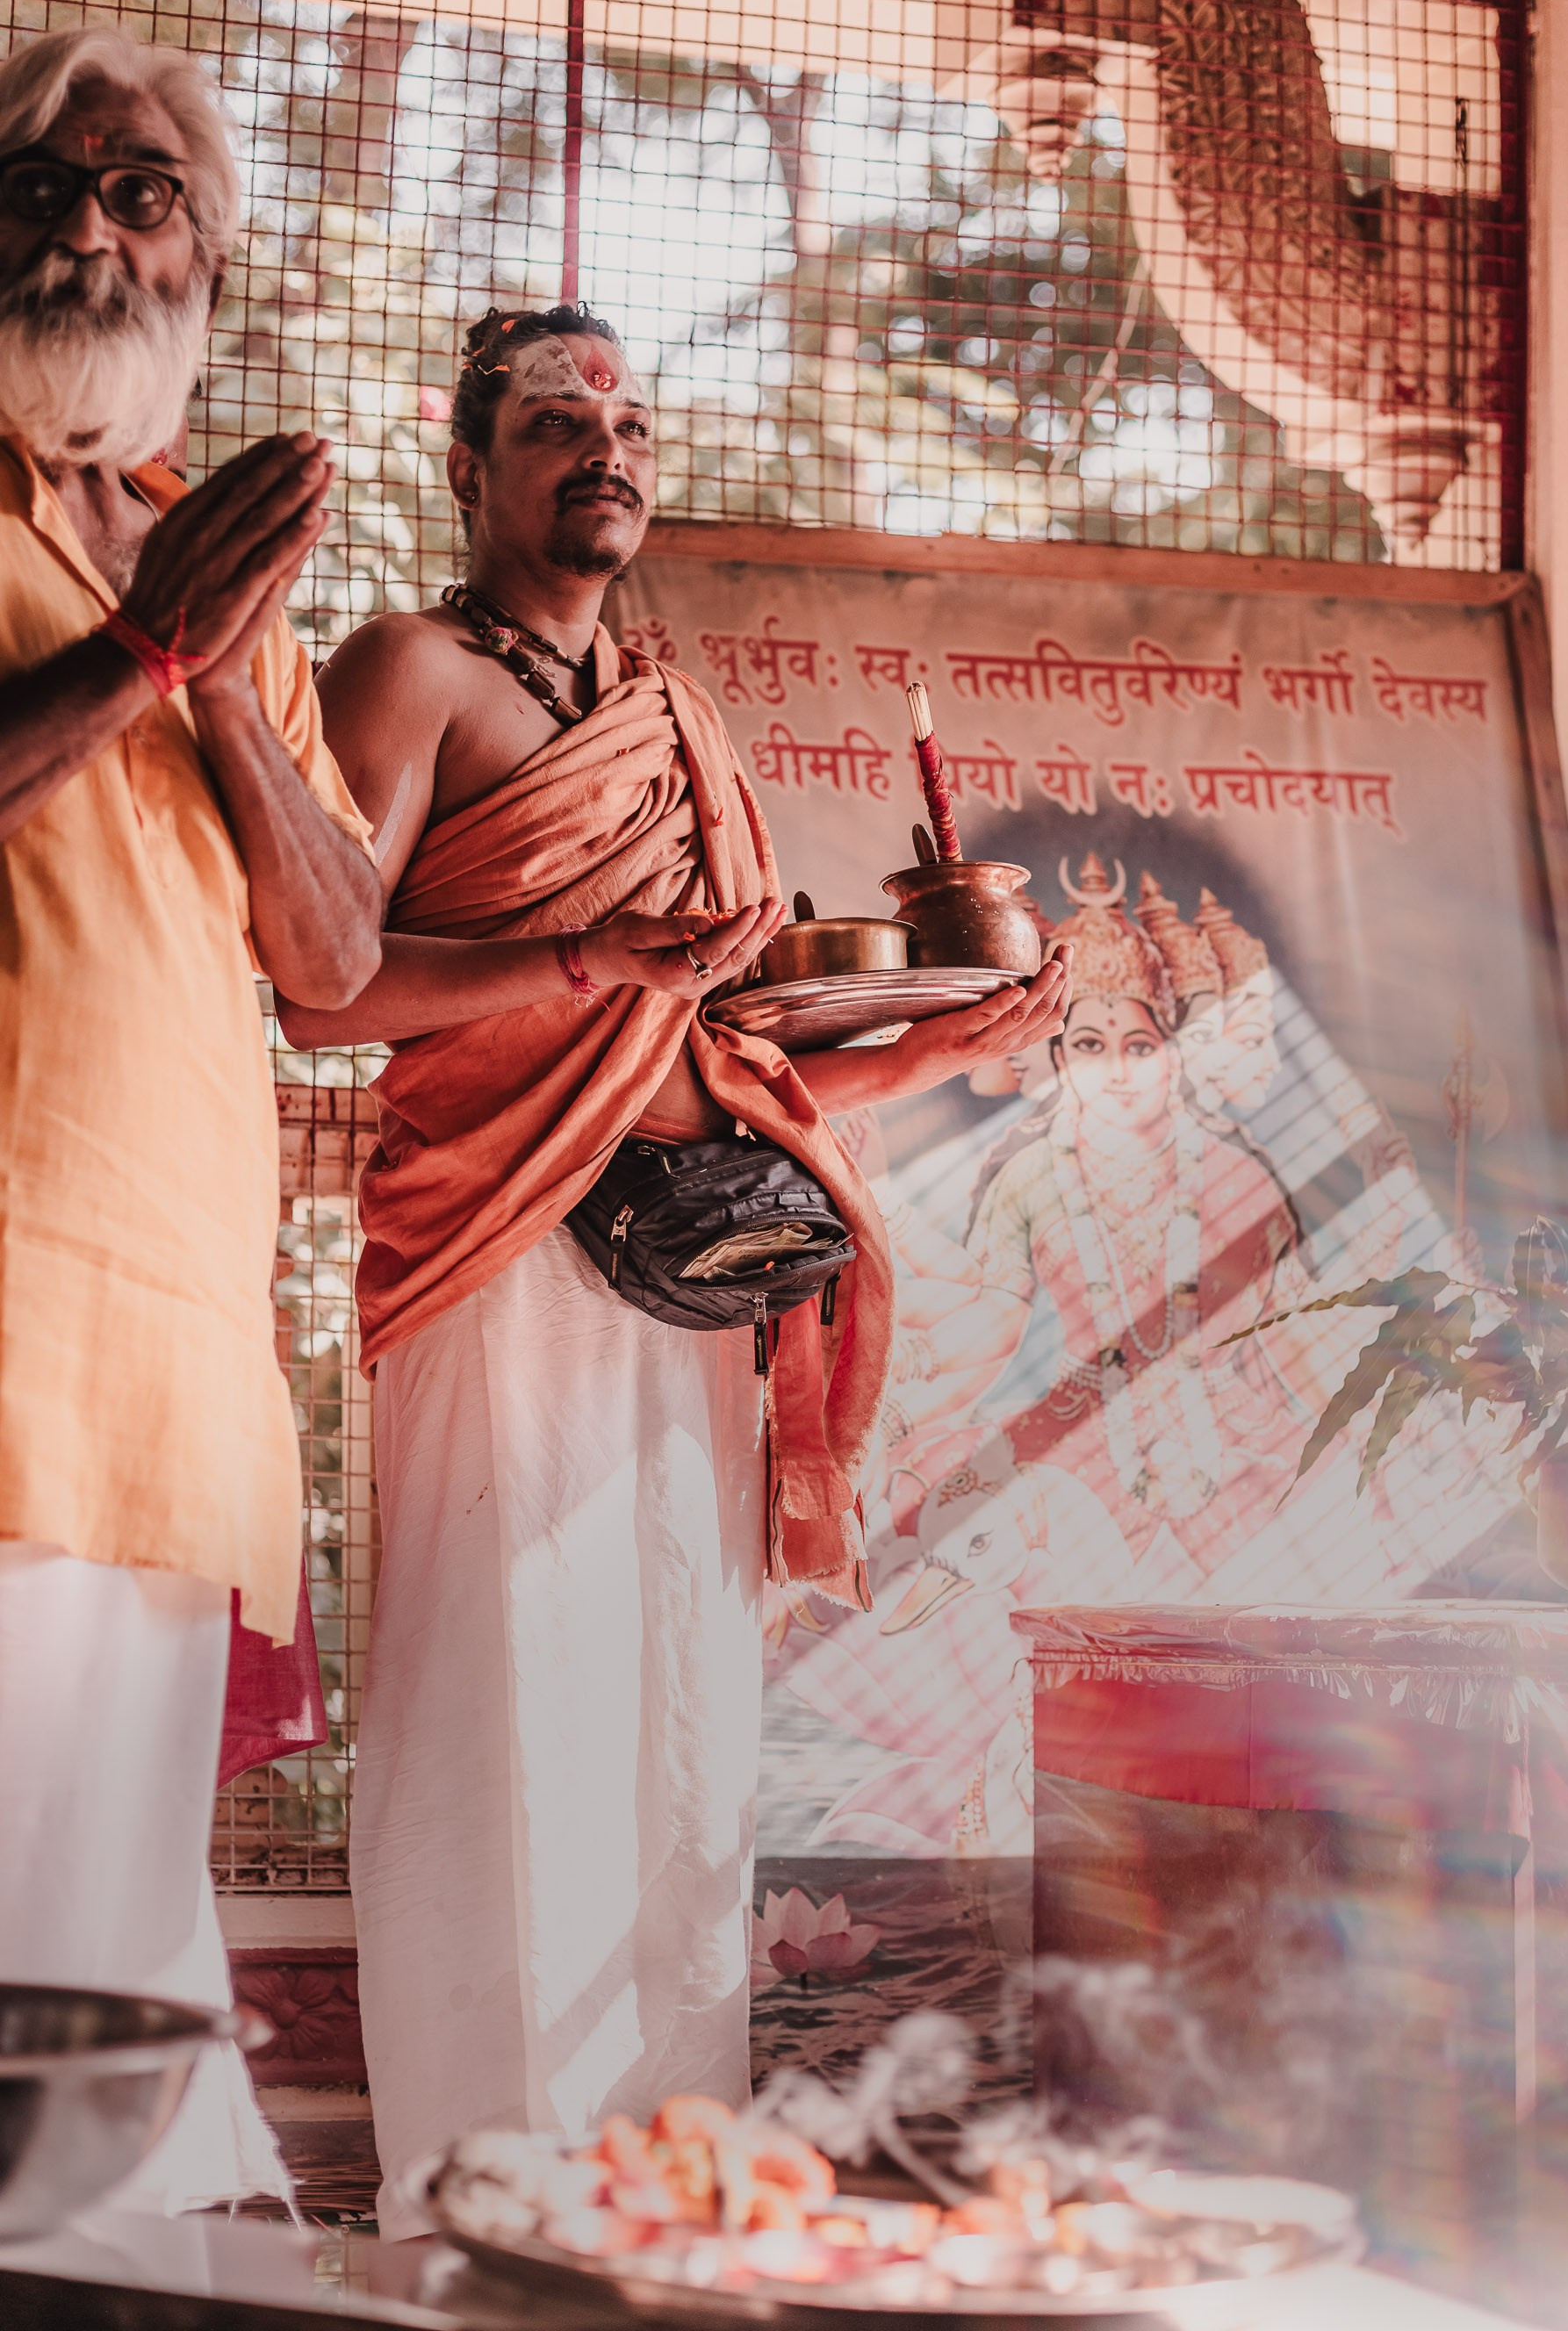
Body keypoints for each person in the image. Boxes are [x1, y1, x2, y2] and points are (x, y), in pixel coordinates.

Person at [286, 300, 1070, 2230]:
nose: (605, 448)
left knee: (678, 1725)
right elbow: (323, 988)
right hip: (494, 1254)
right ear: (469, 468)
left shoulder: (679, 719)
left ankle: (660, 2201)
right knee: (501, 1715)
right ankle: (484, 2204)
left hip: (685, 1284)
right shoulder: (406, 672)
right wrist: (577, 965)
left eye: (629, 421)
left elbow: (715, 1054)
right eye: (557, 420)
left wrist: (933, 1050)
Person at [0, 25, 384, 2206]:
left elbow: (328, 965)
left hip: (170, 1374)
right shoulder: (148, 590)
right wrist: (140, 656)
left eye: (143, 195)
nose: (87, 225)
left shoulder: (212, 574)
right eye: (41, 184)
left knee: (111, 2011)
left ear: (204, 268)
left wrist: (225, 673)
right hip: (5, 1313)